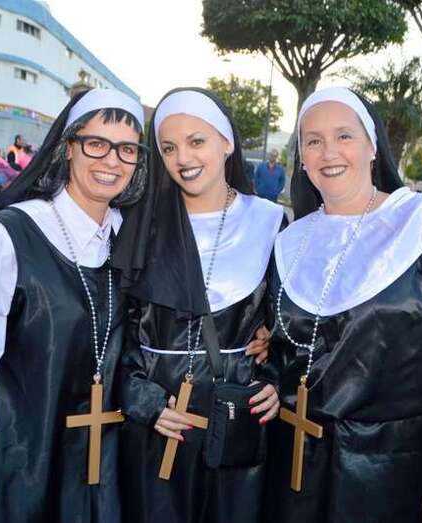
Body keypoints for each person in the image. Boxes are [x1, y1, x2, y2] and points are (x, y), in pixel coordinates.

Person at [263, 87, 422, 522]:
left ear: (372, 146)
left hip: (394, 473)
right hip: (294, 465)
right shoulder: (290, 242)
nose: (329, 152)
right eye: (313, 141)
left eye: (344, 136)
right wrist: (269, 379)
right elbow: (283, 348)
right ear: (302, 157)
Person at [0, 89, 150, 522]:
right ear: (68, 147)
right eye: (96, 143)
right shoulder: (7, 237)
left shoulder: (127, 241)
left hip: (99, 467)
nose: (112, 160)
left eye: (127, 149)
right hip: (17, 464)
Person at [113, 87, 283, 523]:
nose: (183, 158)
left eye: (196, 141)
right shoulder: (139, 224)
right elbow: (116, 335)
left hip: (236, 418)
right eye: (168, 148)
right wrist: (143, 400)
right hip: (159, 423)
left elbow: (291, 326)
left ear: (227, 142)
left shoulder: (269, 222)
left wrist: (275, 378)